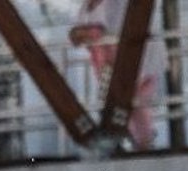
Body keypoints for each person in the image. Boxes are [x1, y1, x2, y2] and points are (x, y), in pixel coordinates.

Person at [69, 0, 167, 151]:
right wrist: (85, 33)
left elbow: (100, 31)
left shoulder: (118, 4)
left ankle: (143, 145)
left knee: (135, 104)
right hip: (111, 69)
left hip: (137, 64)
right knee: (122, 107)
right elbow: (76, 35)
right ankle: (135, 144)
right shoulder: (87, 8)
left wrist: (88, 33)